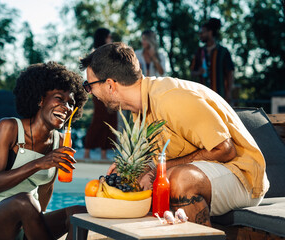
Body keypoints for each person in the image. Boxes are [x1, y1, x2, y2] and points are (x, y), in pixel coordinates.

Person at [79, 42, 269, 227]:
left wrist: (155, 171)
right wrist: (134, 169)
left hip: (242, 177)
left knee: (177, 179)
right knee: (141, 184)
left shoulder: (170, 98)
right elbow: (163, 158)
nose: (90, 93)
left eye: (90, 85)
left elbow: (225, 150)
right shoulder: (140, 110)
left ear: (110, 85)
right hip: (207, 173)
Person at [0, 62, 88, 240]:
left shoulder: (60, 141)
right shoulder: (8, 127)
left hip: (28, 218)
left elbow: (46, 189)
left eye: (71, 103)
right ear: (40, 99)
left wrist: (37, 225)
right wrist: (39, 163)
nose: (66, 107)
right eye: (59, 98)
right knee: (24, 200)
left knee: (79, 214)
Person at [83, 27, 117, 160]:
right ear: (103, 37)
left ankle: (104, 152)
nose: (111, 39)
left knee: (111, 121)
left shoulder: (110, 52)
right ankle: (87, 150)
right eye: (109, 36)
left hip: (111, 90)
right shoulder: (95, 53)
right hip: (98, 90)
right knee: (99, 120)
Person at [190, 18, 235, 104]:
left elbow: (230, 73)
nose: (200, 35)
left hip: (221, 97)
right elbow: (192, 73)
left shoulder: (223, 52)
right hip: (203, 97)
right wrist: (198, 72)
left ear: (210, 32)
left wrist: (229, 93)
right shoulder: (199, 52)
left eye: (202, 33)